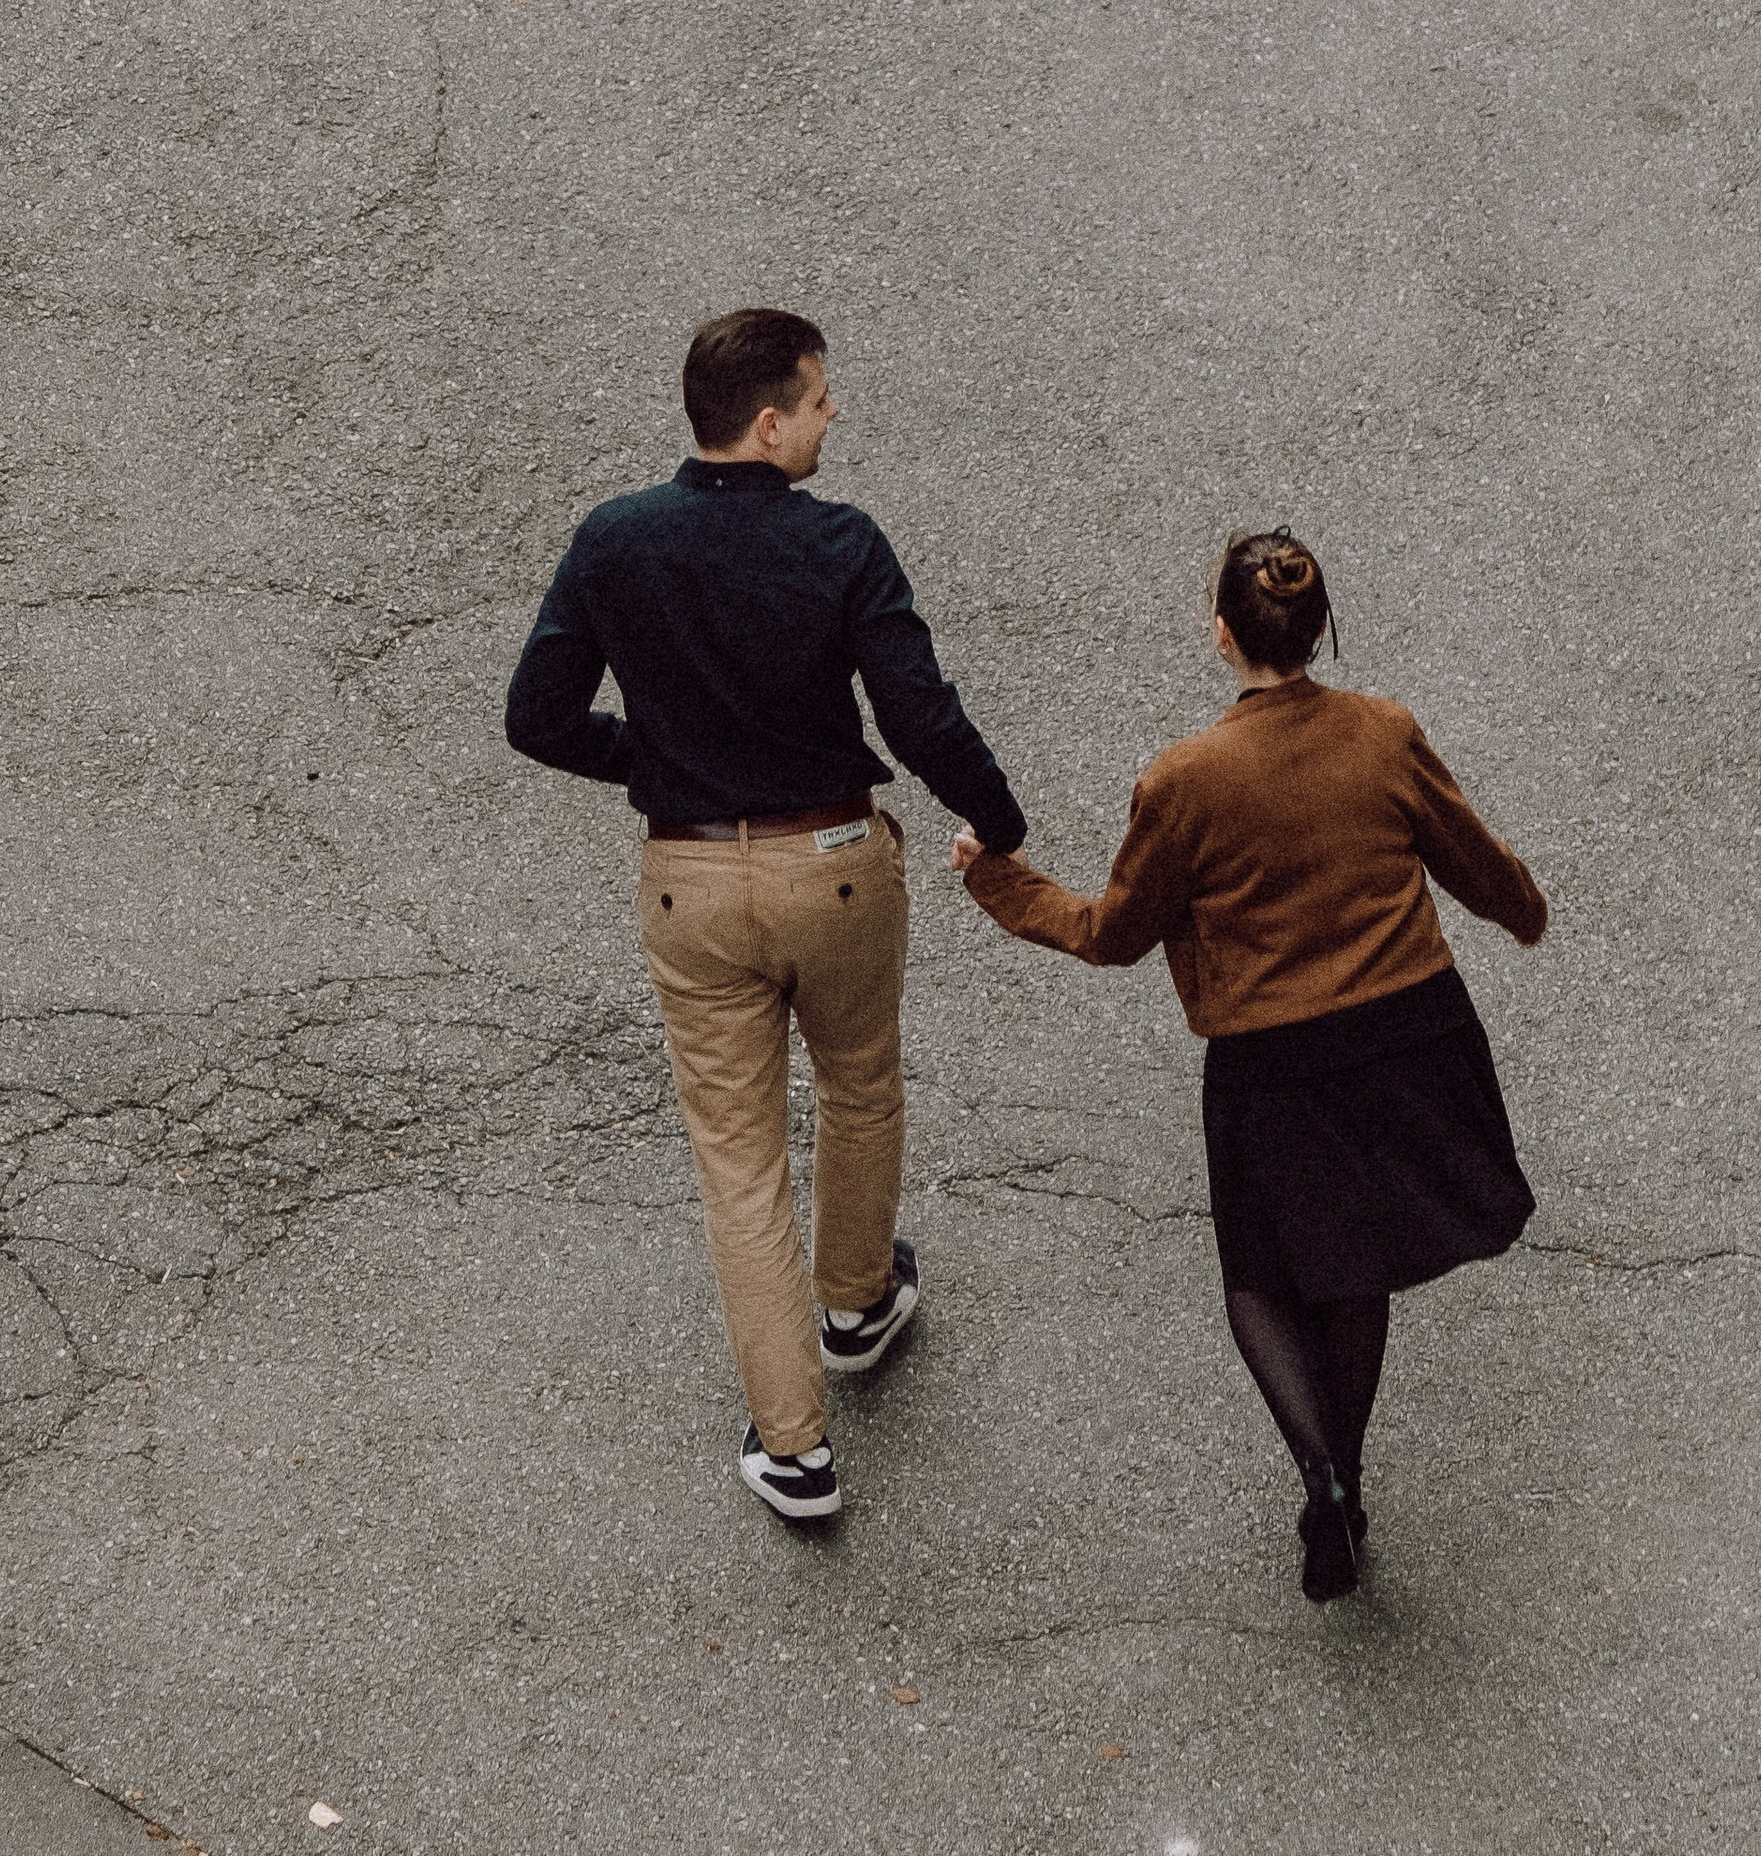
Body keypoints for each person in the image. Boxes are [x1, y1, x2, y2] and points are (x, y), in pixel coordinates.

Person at [953, 529, 1545, 1602]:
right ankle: (1349, 1474)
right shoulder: (1383, 731)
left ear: (1220, 633)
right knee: (1355, 1268)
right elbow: (1472, 860)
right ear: (1317, 628)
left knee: (1262, 1276)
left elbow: (1114, 933)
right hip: (1409, 1030)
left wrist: (1001, 884)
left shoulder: (1187, 779)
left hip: (1272, 1057)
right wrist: (1524, 913)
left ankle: (1317, 1476)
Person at [506, 307, 1026, 1525]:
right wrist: (997, 823)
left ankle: (793, 1449)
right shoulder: (840, 545)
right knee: (859, 1082)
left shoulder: (613, 541)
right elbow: (919, 715)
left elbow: (535, 718)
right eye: (821, 396)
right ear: (769, 420)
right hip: (836, 866)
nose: (834, 413)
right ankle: (856, 1303)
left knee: (740, 1165)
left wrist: (651, 759)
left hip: (691, 883)